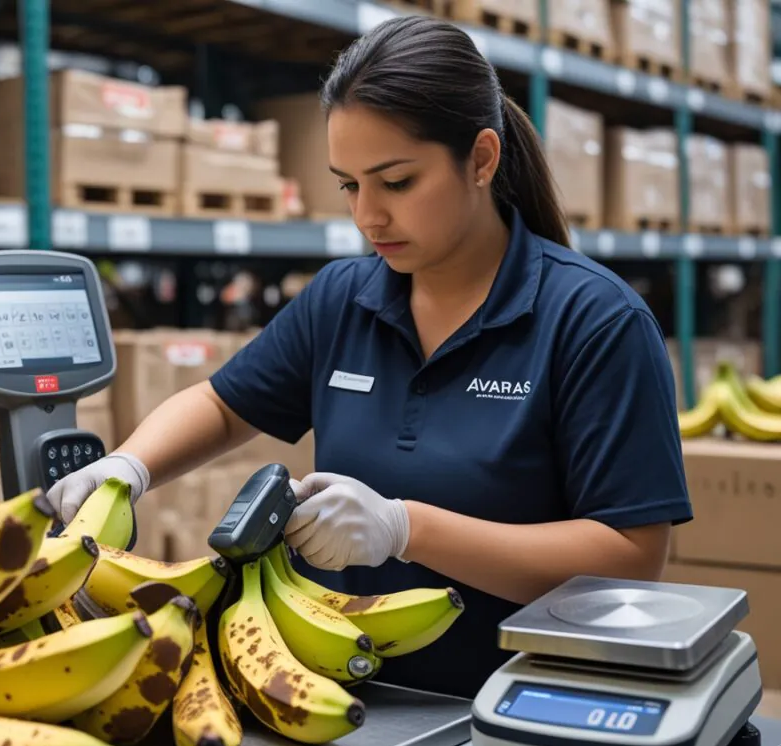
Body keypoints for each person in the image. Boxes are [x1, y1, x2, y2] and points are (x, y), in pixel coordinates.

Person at [47, 15, 692, 699]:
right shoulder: (343, 299)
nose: (367, 216)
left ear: (481, 158)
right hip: (340, 701)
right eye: (350, 185)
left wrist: (406, 527)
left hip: (523, 713)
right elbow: (221, 404)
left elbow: (631, 556)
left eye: (397, 181)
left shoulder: (594, 321)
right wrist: (129, 466)